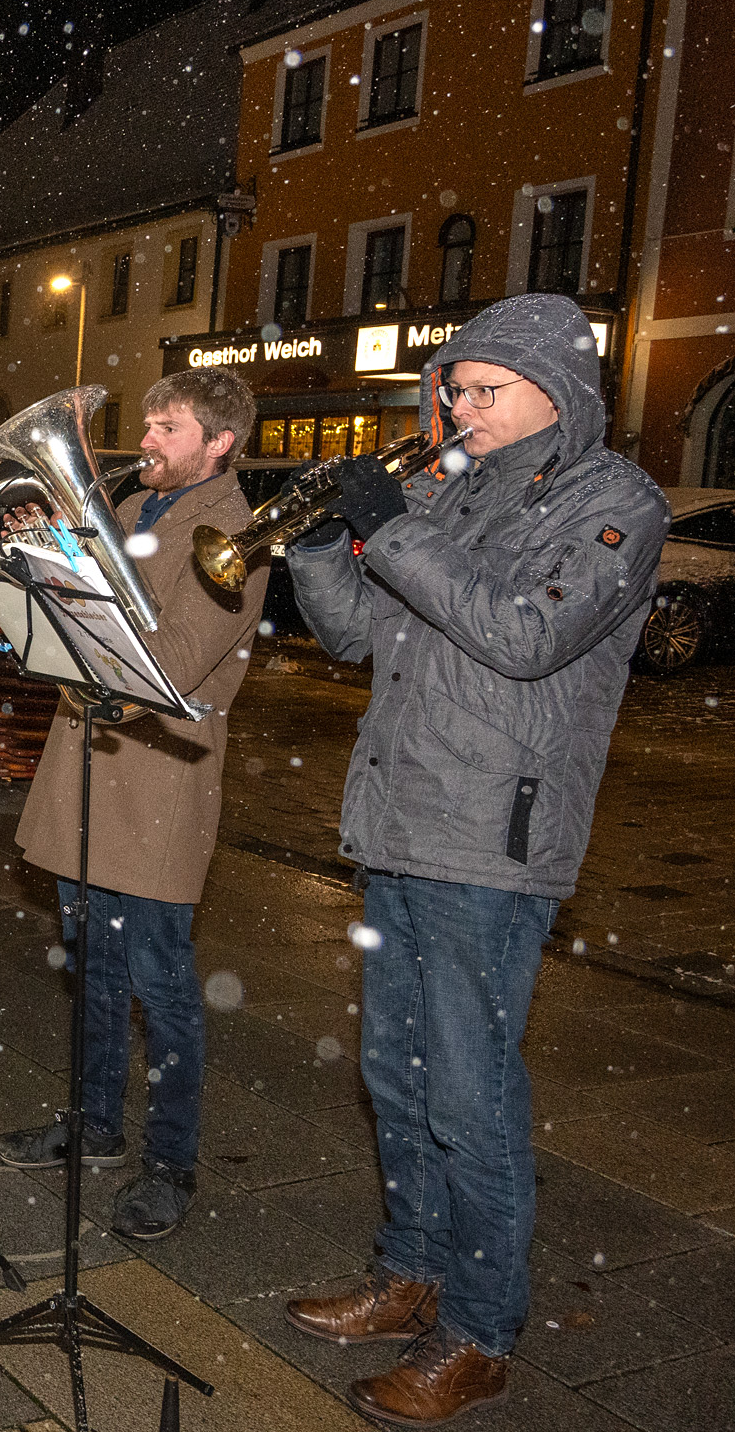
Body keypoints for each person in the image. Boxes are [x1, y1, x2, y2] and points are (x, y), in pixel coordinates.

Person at [281, 294, 666, 1427]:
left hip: (493, 836)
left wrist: (391, 529)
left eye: (484, 388)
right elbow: (357, 632)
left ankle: (481, 1332)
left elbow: (525, 633)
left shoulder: (614, 502)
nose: (457, 404)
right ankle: (410, 1275)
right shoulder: (450, 489)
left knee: (470, 1093)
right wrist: (319, 549)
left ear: (560, 392)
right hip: (399, 815)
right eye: (453, 384)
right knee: (394, 1074)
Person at [0, 368, 267, 1242]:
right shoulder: (132, 506)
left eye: (168, 427)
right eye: (147, 422)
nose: (145, 439)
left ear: (219, 442)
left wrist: (79, 579)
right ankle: (96, 1125)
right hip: (88, 762)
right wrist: (42, 565)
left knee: (161, 981)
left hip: (156, 779)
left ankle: (171, 1162)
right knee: (91, 968)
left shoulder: (232, 532)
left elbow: (176, 657)